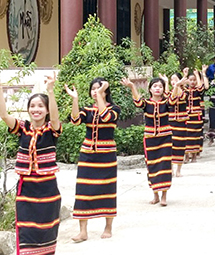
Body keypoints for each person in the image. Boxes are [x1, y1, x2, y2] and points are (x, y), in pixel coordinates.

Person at [1, 73, 61, 254]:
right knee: (26, 232)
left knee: (47, 232)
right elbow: (4, 115)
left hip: (48, 190)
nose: (36, 109)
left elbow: (56, 119)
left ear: (47, 110)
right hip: (26, 189)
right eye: (32, 106)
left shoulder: (52, 130)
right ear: (28, 110)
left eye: (40, 106)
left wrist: (50, 90)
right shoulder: (23, 128)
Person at [65, 77, 121, 242]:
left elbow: (105, 117)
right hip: (87, 155)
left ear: (105, 91)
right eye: (93, 89)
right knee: (83, 191)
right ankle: (83, 231)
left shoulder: (115, 109)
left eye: (99, 88)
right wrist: (75, 100)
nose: (95, 91)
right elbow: (75, 120)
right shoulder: (88, 110)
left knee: (107, 190)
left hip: (107, 156)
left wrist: (101, 96)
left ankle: (108, 226)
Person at [121, 75, 184, 205]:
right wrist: (132, 86)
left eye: (160, 86)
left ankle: (164, 196)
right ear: (150, 89)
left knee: (165, 165)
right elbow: (137, 102)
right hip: (150, 138)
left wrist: (177, 85)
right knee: (152, 165)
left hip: (165, 137)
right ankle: (155, 194)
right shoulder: (146, 103)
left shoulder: (166, 103)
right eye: (155, 86)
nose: (158, 88)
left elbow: (173, 100)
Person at [185, 66, 209, 163]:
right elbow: (178, 86)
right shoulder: (185, 90)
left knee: (195, 136)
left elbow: (200, 88)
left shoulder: (198, 91)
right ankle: (186, 155)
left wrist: (198, 75)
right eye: (190, 80)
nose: (192, 82)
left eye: (194, 80)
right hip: (186, 116)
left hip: (196, 115)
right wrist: (185, 75)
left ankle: (194, 155)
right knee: (186, 136)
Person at [168, 69, 189, 177]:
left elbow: (180, 96)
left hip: (181, 122)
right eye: (171, 79)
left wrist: (178, 85)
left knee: (180, 145)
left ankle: (178, 170)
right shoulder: (168, 92)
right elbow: (170, 99)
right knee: (170, 145)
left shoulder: (185, 91)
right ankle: (170, 169)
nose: (173, 81)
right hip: (170, 122)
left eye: (175, 79)